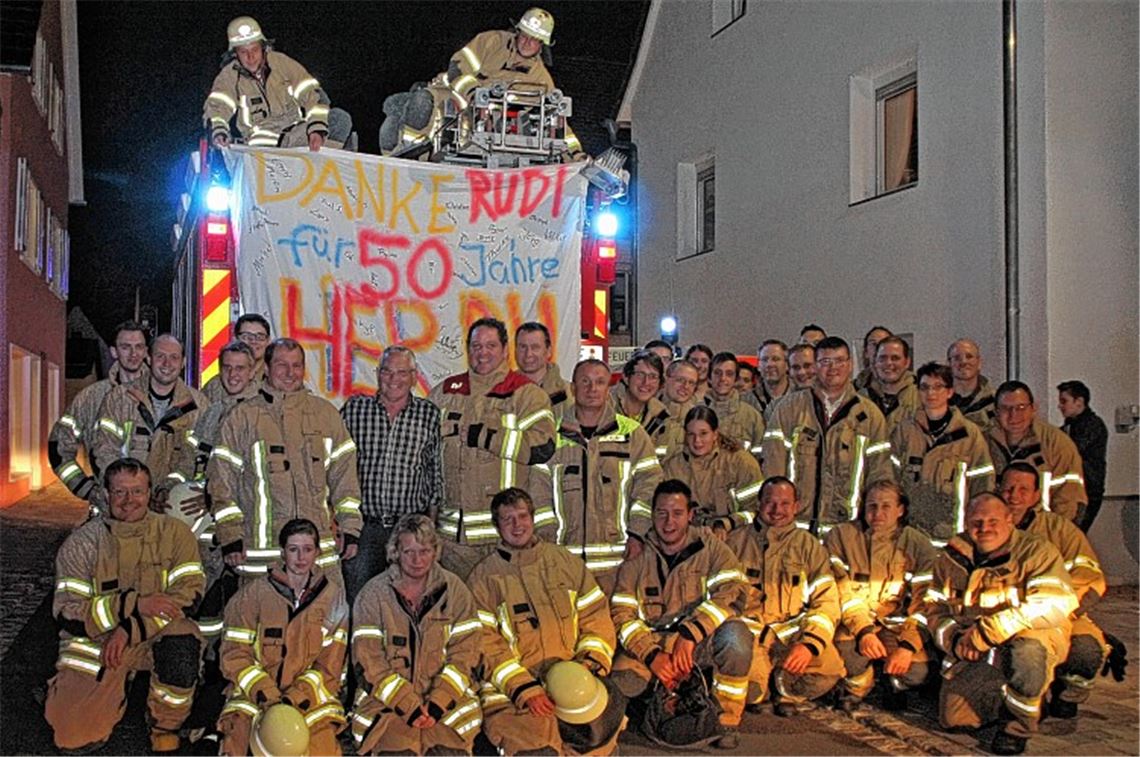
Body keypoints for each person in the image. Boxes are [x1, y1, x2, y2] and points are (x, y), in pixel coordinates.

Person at [45, 458, 205, 753]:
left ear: (150, 493)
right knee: (71, 737)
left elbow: (189, 597)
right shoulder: (82, 544)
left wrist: (130, 628)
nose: (129, 501)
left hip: (152, 634)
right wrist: (133, 605)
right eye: (120, 492)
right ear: (106, 495)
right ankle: (70, 692)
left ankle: (164, 724)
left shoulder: (176, 534)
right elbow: (67, 611)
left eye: (137, 491)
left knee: (183, 641)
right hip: (98, 642)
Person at [469, 488, 626, 755]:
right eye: (508, 519)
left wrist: (589, 666)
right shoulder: (483, 579)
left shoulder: (565, 562)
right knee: (540, 751)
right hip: (514, 698)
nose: (517, 525)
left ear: (533, 518)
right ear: (497, 526)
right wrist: (523, 688)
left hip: (575, 685)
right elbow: (483, 643)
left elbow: (595, 617)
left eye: (522, 516)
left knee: (597, 744)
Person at [922, 493, 1077, 755]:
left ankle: (1017, 727)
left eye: (993, 520)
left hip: (1030, 637)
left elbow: (1055, 603)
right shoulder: (951, 558)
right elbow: (933, 609)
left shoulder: (1037, 552)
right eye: (977, 521)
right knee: (955, 720)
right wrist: (957, 640)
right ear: (966, 521)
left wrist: (988, 630)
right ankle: (1024, 694)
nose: (984, 528)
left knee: (1027, 655)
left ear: (1009, 520)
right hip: (977, 649)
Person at [610, 479, 751, 749]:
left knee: (737, 639)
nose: (668, 522)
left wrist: (691, 632)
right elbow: (622, 614)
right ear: (652, 514)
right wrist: (651, 655)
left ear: (691, 515)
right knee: (623, 683)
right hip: (653, 645)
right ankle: (661, 697)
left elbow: (733, 590)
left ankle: (726, 720)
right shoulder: (637, 554)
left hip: (696, 643)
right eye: (661, 513)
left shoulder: (710, 547)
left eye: (677, 513)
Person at [208, 338, 363, 583]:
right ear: (266, 369)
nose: (290, 373)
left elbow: (345, 479)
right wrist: (230, 536)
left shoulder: (326, 415)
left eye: (296, 365)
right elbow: (221, 483)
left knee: (325, 621)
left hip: (318, 557)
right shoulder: (241, 418)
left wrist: (350, 528)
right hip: (261, 558)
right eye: (282, 365)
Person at [428, 317, 556, 578]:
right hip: (451, 545)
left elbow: (543, 446)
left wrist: (487, 437)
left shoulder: (526, 395)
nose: (482, 353)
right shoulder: (444, 392)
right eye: (476, 346)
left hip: (503, 540)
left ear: (505, 349)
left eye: (490, 346)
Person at [349, 515, 483, 754]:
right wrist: (407, 705)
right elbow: (368, 661)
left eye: (424, 550)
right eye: (408, 551)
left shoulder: (456, 592)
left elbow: (466, 655)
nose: (417, 559)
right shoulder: (373, 595)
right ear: (395, 552)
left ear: (435, 551)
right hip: (387, 709)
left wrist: (438, 703)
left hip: (448, 711)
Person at [217, 518, 349, 755]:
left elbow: (331, 664)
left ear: (318, 552)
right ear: (282, 553)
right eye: (293, 549)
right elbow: (234, 655)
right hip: (255, 697)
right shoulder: (252, 595)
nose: (301, 558)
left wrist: (294, 698)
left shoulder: (333, 598)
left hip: (309, 699)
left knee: (322, 748)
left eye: (308, 550)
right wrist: (267, 694)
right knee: (236, 741)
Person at [380, 7, 582, 157]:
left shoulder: (542, 79)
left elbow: (558, 121)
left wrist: (577, 153)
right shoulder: (491, 41)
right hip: (457, 99)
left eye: (535, 39)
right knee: (421, 102)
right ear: (517, 31)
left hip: (492, 128)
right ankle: (409, 154)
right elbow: (457, 68)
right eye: (525, 35)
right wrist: (474, 94)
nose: (527, 42)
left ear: (542, 45)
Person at [533, 359, 662, 592]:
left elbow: (649, 486)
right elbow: (539, 495)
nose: (592, 389)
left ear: (608, 388)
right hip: (564, 563)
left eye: (599, 382)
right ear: (573, 388)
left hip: (619, 564)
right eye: (585, 382)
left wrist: (637, 533)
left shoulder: (632, 435)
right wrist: (548, 543)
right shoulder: (552, 436)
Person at [999, 463, 1115, 721]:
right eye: (1008, 488)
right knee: (1026, 655)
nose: (1014, 495)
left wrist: (1059, 610)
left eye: (1023, 489)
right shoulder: (989, 526)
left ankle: (1066, 692)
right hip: (1007, 617)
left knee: (1086, 649)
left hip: (1063, 615)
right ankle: (1019, 709)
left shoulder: (1060, 530)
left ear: (1036, 495)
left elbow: (1090, 577)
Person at [726, 477, 843, 715]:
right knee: (749, 693)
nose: (777, 510)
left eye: (785, 503)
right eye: (770, 502)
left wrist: (809, 644)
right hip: (752, 636)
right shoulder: (735, 542)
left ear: (796, 506)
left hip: (791, 636)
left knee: (829, 671)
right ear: (759, 504)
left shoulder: (809, 546)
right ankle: (762, 687)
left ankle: (785, 688)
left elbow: (826, 601)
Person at [172, 340, 262, 645]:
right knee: (206, 600)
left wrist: (213, 500)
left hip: (245, 527)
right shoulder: (212, 413)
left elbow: (258, 476)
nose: (233, 375)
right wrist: (173, 487)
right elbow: (193, 459)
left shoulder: (261, 415)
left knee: (245, 606)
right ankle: (205, 660)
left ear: (253, 372)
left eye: (241, 368)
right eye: (227, 368)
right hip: (208, 529)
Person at [340, 346, 444, 604]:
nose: (393, 379)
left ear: (413, 376)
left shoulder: (429, 414)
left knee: (408, 601)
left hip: (410, 529)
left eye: (401, 373)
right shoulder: (355, 410)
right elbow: (336, 466)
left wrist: (429, 529)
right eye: (387, 371)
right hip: (364, 528)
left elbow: (435, 473)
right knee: (359, 599)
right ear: (378, 374)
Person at [823, 481, 938, 711]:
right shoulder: (842, 537)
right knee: (844, 656)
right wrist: (864, 631)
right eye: (872, 506)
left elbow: (925, 603)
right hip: (855, 624)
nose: (878, 513)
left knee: (918, 673)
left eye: (886, 506)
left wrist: (907, 646)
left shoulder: (918, 545)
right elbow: (843, 592)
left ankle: (891, 680)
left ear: (901, 510)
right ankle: (858, 684)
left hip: (897, 628)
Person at [762, 337, 892, 533]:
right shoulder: (788, 410)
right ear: (815, 366)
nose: (833, 368)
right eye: (825, 362)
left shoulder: (870, 417)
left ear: (850, 365)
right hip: (795, 531)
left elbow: (880, 478)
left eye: (840, 361)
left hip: (848, 534)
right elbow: (773, 470)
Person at [204, 16, 353, 150]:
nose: (251, 56)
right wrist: (219, 131)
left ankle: (326, 160)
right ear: (235, 53)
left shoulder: (282, 63)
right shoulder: (228, 76)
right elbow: (217, 108)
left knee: (340, 119)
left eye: (254, 49)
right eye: (244, 52)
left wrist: (316, 129)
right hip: (263, 148)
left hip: (296, 136)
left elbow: (314, 95)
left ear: (262, 46)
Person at [92, 334, 208, 505]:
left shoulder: (199, 406)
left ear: (183, 363)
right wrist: (130, 491)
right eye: (160, 356)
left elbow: (196, 458)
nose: (167, 364)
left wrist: (169, 488)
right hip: (125, 502)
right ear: (148, 358)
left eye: (174, 357)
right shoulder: (119, 399)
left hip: (172, 503)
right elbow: (104, 450)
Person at [49, 320, 149, 517]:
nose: (133, 353)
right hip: (106, 511)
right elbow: (58, 449)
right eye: (125, 347)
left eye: (139, 347)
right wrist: (86, 489)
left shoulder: (162, 395)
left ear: (146, 351)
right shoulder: (90, 398)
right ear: (113, 352)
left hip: (153, 512)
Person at [890, 362, 994, 545]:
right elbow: (891, 483)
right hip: (912, 537)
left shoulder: (969, 435)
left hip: (954, 538)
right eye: (925, 387)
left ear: (950, 392)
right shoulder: (904, 432)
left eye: (938, 387)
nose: (931, 393)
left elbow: (983, 486)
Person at [986, 381, 1087, 522]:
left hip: (1041, 535)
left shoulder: (1056, 443)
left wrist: (1056, 536)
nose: (1014, 415)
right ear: (996, 412)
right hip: (994, 533)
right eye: (1005, 408)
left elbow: (1069, 498)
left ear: (1033, 408)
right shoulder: (982, 443)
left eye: (1021, 407)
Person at [661, 406, 763, 535]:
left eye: (703, 433)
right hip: (688, 538)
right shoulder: (673, 467)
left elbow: (756, 510)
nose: (697, 441)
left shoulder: (740, 462)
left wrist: (727, 523)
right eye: (691, 434)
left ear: (715, 434)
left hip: (736, 536)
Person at [1057, 380, 1109, 532]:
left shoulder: (1092, 425)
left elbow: (1071, 449)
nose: (1060, 406)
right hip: (1076, 488)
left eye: (1064, 401)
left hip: (1087, 490)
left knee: (1073, 533)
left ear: (1079, 402)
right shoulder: (1070, 426)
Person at [703, 352, 766, 456]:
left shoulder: (751, 416)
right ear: (709, 377)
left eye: (729, 374)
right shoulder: (696, 412)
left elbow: (761, 455)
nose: (723, 378)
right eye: (717, 373)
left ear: (735, 379)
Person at [201, 313, 272, 403]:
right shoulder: (216, 385)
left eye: (260, 337)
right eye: (246, 336)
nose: (253, 341)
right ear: (235, 338)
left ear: (268, 341)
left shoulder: (277, 380)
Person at [859, 335, 919, 433]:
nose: (889, 363)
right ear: (875, 362)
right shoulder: (859, 400)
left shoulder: (921, 397)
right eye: (882, 358)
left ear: (907, 362)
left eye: (895, 358)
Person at [515, 322, 572, 421]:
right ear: (515, 351)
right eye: (523, 347)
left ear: (548, 351)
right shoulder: (502, 393)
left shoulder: (569, 394)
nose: (528, 354)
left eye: (535, 347)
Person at [610, 350, 671, 441]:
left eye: (653, 376)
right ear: (626, 377)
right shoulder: (605, 406)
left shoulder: (661, 414)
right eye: (640, 375)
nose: (646, 382)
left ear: (660, 383)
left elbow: (662, 452)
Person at [947, 338, 997, 430]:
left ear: (979, 363)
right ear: (949, 364)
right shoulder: (937, 401)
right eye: (957, 358)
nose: (964, 362)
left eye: (969, 356)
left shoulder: (996, 402)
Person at [657, 359, 701, 457]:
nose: (685, 386)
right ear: (666, 379)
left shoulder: (700, 419)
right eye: (680, 380)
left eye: (691, 383)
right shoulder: (647, 413)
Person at [750, 340, 792, 416]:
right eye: (764, 360)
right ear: (758, 366)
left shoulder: (801, 396)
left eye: (776, 359)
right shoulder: (747, 400)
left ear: (787, 365)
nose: (769, 364)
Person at [854, 326, 892, 392]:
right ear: (866, 352)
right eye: (873, 344)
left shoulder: (911, 388)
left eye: (884, 343)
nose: (878, 348)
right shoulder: (853, 389)